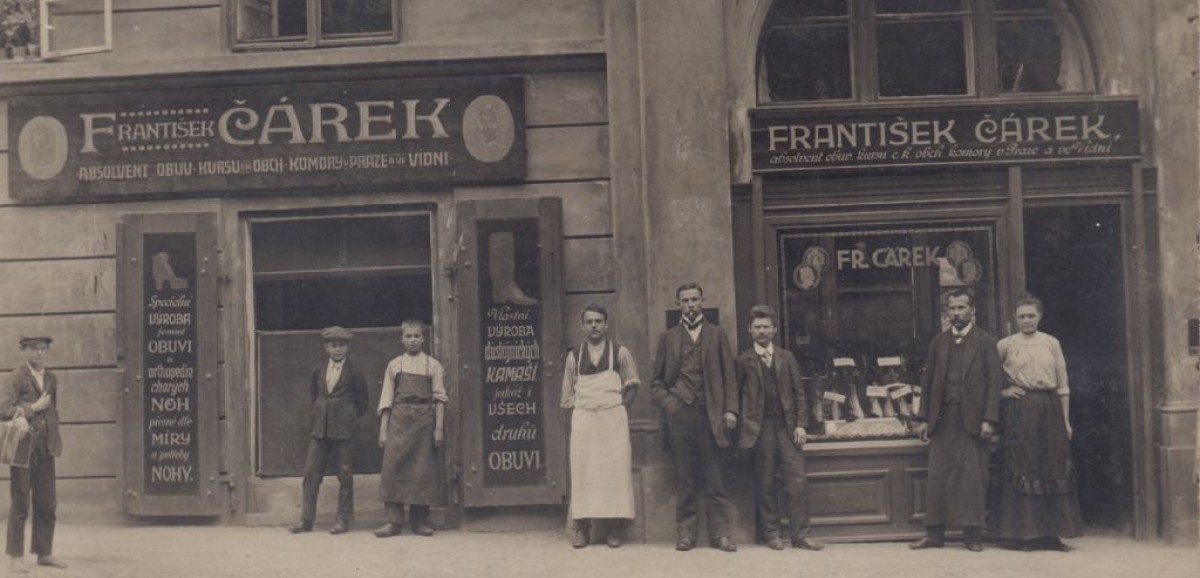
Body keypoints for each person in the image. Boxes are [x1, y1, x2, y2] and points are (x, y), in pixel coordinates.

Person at [650, 282, 739, 552]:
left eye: (694, 299)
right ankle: (686, 535)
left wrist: (730, 410)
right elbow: (655, 384)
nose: (690, 305)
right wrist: (672, 405)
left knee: (715, 478)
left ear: (703, 301)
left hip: (712, 415)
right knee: (686, 478)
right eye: (685, 300)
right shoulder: (668, 337)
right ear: (678, 304)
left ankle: (721, 535)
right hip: (681, 417)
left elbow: (730, 377)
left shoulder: (717, 334)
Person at [910, 290, 1002, 552]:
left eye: (961, 308)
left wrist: (989, 419)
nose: (956, 313)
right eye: (952, 309)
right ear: (946, 312)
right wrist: (924, 419)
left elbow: (995, 385)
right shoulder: (938, 342)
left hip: (972, 421)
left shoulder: (985, 341)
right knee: (938, 477)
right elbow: (927, 384)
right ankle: (934, 535)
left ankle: (972, 535)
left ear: (972, 310)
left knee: (972, 479)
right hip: (942, 419)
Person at [995, 295, 1082, 551]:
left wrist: (1065, 421)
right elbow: (987, 375)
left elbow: (1063, 383)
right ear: (1015, 318)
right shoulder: (1006, 345)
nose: (1026, 320)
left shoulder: (1051, 343)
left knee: (1052, 465)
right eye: (1022, 316)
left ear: (1039, 316)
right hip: (1021, 409)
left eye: (1031, 315)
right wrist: (1003, 392)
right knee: (1025, 465)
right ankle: (1025, 535)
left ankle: (1052, 535)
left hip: (1050, 408)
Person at [737, 305, 824, 552]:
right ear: (749, 330)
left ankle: (801, 535)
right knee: (765, 483)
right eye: (757, 327)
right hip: (760, 428)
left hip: (787, 427)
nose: (762, 331)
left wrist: (801, 424)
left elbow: (799, 393)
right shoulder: (743, 361)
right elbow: (738, 397)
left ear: (774, 329)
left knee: (797, 481)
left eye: (766, 326)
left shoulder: (787, 357)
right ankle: (772, 534)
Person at [560, 304, 640, 549]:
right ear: (582, 326)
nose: (594, 325)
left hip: (612, 418)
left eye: (598, 321)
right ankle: (583, 528)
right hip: (585, 419)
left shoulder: (620, 353)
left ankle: (614, 529)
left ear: (606, 324)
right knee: (584, 472)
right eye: (589, 322)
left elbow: (633, 383)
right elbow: (567, 394)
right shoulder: (575, 355)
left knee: (613, 471)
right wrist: (581, 417)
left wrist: (619, 409)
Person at [289, 327, 369, 535]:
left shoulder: (355, 371)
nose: (338, 350)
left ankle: (343, 519)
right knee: (311, 473)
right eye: (333, 345)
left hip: (344, 428)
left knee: (345, 473)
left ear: (347, 347)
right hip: (319, 428)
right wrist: (322, 414)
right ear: (326, 347)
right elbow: (314, 396)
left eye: (342, 345)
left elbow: (363, 401)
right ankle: (306, 519)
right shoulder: (318, 369)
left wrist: (349, 417)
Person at [0, 335, 67, 573]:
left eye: (43, 349)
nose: (39, 353)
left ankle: (44, 552)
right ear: (24, 350)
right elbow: (3, 410)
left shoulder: (51, 377)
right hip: (22, 447)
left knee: (47, 502)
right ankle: (15, 557)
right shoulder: (16, 377)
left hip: (46, 447)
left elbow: (52, 411)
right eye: (34, 349)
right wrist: (32, 409)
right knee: (20, 502)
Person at [375, 320, 447, 538]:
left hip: (424, 421)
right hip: (399, 420)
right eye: (409, 336)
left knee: (421, 470)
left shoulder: (432, 365)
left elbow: (440, 398)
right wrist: (383, 430)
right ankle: (392, 521)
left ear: (423, 338)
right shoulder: (394, 365)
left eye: (417, 336)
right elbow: (386, 399)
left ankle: (419, 521)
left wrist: (439, 428)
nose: (413, 340)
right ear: (402, 339)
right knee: (393, 467)